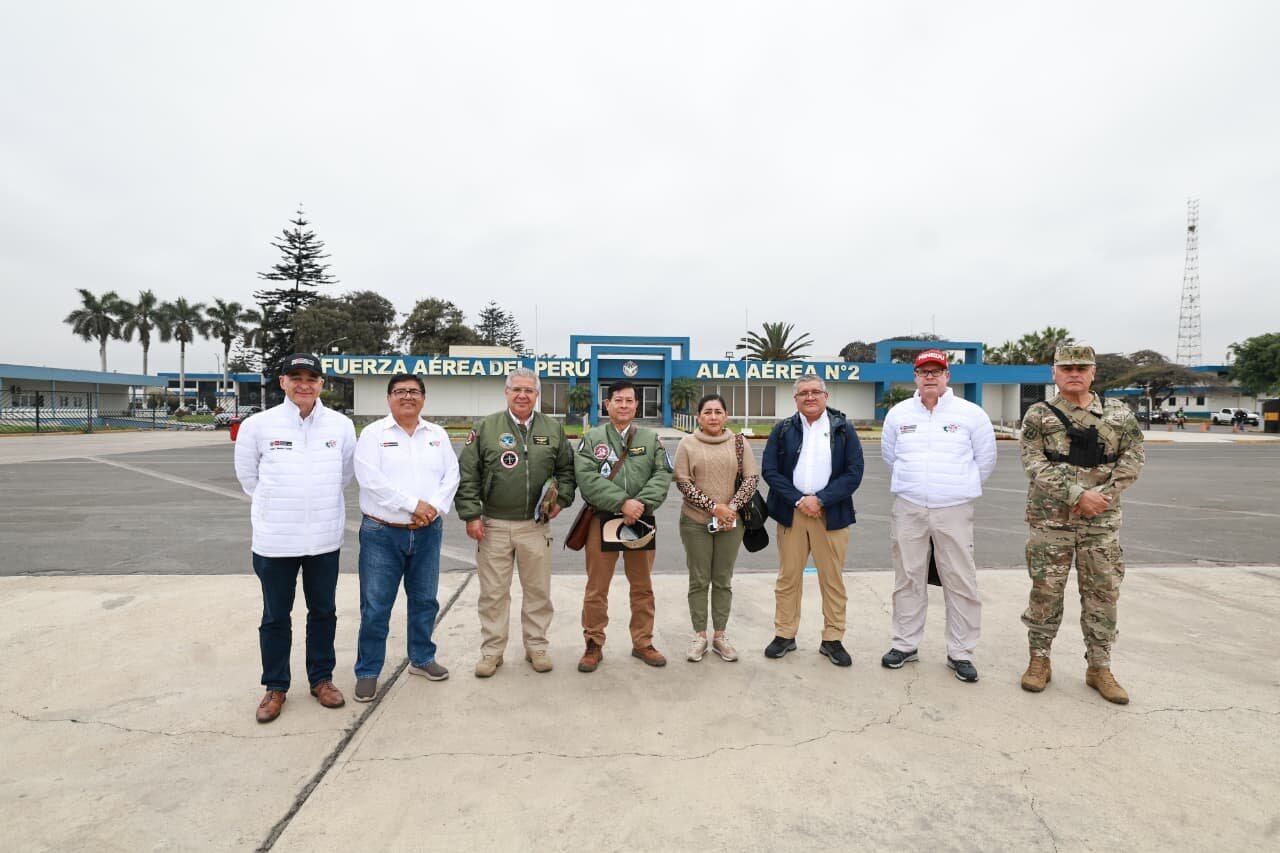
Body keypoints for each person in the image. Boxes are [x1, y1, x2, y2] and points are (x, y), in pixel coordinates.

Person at [233, 353, 356, 724]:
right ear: (283, 382)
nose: (304, 384)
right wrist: (279, 507)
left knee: (323, 613)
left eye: (312, 378)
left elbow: (344, 476)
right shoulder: (258, 425)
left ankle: (321, 680)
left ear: (322, 384)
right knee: (275, 616)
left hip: (323, 540)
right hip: (275, 541)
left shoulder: (340, 426)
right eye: (296, 377)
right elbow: (248, 480)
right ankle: (275, 686)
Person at [1019, 345, 1145, 704]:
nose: (1074, 373)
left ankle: (1100, 667)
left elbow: (1134, 459)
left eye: (1081, 367)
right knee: (1045, 594)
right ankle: (1039, 660)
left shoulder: (1119, 415)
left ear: (1093, 373)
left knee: (1102, 596)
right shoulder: (1039, 415)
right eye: (1066, 367)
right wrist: (1077, 495)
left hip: (1100, 524)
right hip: (1050, 522)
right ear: (1054, 373)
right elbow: (1033, 462)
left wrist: (1101, 495)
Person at [879, 350, 997, 683]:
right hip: (909, 507)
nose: (930, 376)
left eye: (937, 371)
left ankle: (960, 652)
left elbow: (984, 461)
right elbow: (891, 457)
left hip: (954, 508)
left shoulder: (971, 414)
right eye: (923, 371)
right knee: (908, 577)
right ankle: (904, 645)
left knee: (960, 579)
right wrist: (916, 486)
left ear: (948, 376)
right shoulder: (899, 414)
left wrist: (956, 489)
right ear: (915, 377)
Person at [456, 367, 576, 678]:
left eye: (529, 390)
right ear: (506, 393)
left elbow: (566, 471)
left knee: (537, 591)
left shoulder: (552, 428)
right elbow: (468, 474)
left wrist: (561, 500)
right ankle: (492, 652)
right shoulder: (486, 428)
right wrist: (471, 515)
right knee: (494, 593)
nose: (523, 395)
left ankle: (536, 646)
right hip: (493, 525)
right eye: (516, 389)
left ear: (537, 395)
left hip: (535, 526)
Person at [350, 373, 460, 702]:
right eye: (400, 392)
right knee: (375, 606)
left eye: (414, 391)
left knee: (425, 600)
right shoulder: (373, 434)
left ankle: (422, 658)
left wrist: (434, 508)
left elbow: (451, 475)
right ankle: (368, 670)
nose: (407, 397)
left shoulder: (437, 435)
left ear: (423, 399)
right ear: (389, 399)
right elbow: (370, 479)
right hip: (382, 533)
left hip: (428, 532)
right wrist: (413, 505)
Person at [761, 375, 865, 667]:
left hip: (830, 514)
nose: (809, 397)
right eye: (803, 393)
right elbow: (770, 470)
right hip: (791, 513)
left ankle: (832, 639)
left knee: (832, 580)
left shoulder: (843, 429)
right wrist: (798, 499)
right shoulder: (782, 429)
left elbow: (854, 472)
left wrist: (821, 499)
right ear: (795, 399)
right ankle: (785, 634)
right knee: (788, 578)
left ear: (826, 395)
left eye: (815, 392)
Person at [574, 380, 674, 672]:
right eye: (618, 400)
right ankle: (593, 643)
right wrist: (621, 503)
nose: (624, 405)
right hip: (602, 519)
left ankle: (643, 642)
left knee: (642, 587)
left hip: (640, 519)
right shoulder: (592, 439)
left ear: (636, 405)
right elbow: (587, 479)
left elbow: (662, 474)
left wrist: (639, 504)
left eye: (630, 401)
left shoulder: (651, 439)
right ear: (607, 404)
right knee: (596, 588)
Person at [673, 393, 760, 663]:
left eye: (718, 411)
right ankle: (699, 636)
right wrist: (714, 508)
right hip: (695, 522)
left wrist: (730, 508)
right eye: (707, 412)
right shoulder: (687, 444)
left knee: (722, 580)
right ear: (698, 417)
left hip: (731, 523)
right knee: (699, 580)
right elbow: (683, 482)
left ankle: (720, 636)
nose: (713, 416)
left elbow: (751, 479)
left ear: (725, 416)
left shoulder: (739, 443)